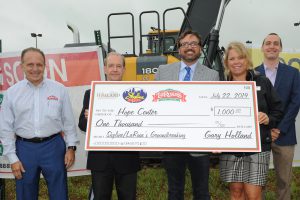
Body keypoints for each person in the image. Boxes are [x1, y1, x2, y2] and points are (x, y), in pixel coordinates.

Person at [0, 47, 79, 200]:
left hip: (54, 147)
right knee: (25, 195)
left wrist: (71, 148)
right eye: (30, 65)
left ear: (44, 65)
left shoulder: (59, 90)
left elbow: (68, 122)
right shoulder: (12, 93)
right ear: (22, 66)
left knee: (59, 194)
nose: (35, 69)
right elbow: (6, 128)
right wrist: (12, 158)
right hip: (24, 149)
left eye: (39, 64)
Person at [155, 30, 219, 200]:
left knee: (202, 192)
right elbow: (154, 105)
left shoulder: (212, 76)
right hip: (171, 144)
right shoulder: (163, 72)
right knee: (175, 192)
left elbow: (215, 110)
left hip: (200, 146)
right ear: (179, 48)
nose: (189, 47)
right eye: (185, 44)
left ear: (200, 48)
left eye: (194, 44)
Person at [219, 42, 283, 200]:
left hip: (258, 147)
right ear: (226, 62)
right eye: (232, 58)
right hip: (230, 148)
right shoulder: (220, 86)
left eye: (240, 57)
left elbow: (278, 109)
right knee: (235, 192)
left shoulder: (262, 81)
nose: (237, 62)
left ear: (247, 60)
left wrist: (269, 119)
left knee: (253, 195)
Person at [78, 52, 140, 200]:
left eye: (119, 66)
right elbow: (81, 124)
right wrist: (90, 119)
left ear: (124, 69)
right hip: (100, 160)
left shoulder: (136, 94)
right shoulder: (91, 93)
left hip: (127, 159)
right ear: (105, 69)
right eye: (111, 66)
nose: (115, 69)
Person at [256, 33, 300, 200]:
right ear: (262, 48)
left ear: (280, 48)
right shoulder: (253, 73)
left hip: (285, 135)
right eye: (268, 43)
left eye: (276, 43)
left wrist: (279, 129)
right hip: (260, 136)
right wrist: (267, 128)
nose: (272, 46)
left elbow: (295, 103)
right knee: (258, 181)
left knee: (284, 181)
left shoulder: (293, 73)